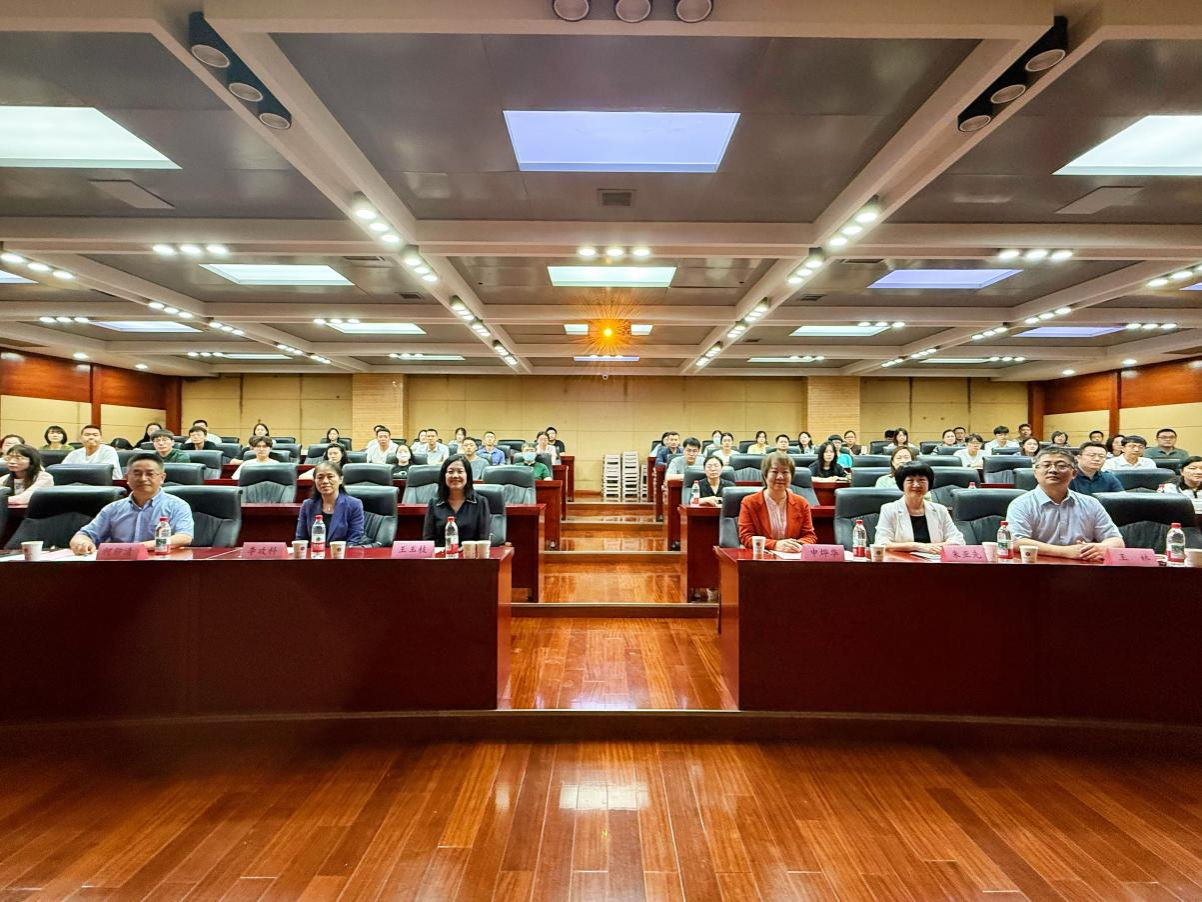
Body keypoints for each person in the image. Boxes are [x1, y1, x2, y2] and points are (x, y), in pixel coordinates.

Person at [1006, 447, 1123, 561]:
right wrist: (1066, 552)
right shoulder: (1021, 504)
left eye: (1061, 466)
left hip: (1084, 567)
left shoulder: (1091, 503)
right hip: (1037, 567)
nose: (1052, 470)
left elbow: (1116, 540)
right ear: (1035, 472)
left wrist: (1100, 547)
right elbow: (1016, 541)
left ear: (1074, 473)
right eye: (1046, 465)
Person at [69, 453, 194, 554]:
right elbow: (84, 534)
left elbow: (184, 537)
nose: (143, 479)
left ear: (162, 478)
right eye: (137, 474)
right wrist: (82, 543)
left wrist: (140, 547)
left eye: (150, 474)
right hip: (119, 567)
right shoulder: (113, 508)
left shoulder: (177, 506)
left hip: (160, 564)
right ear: (127, 478)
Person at [874, 462, 965, 552]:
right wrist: (916, 546)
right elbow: (882, 543)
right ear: (902, 484)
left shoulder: (940, 510)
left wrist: (927, 547)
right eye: (910, 480)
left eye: (921, 480)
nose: (916, 484)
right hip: (901, 560)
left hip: (935, 559)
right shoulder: (889, 509)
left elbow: (958, 541)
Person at [737, 451, 817, 552]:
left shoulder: (801, 503)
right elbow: (746, 537)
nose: (780, 477)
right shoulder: (749, 502)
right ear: (765, 475)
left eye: (785, 472)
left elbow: (810, 536)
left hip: (792, 557)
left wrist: (796, 545)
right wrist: (775, 545)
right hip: (762, 557)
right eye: (774, 472)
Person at [422, 455, 492, 546]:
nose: (455, 476)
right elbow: (428, 540)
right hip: (441, 554)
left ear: (467, 475)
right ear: (444, 476)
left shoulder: (480, 502)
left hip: (470, 553)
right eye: (450, 472)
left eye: (460, 471)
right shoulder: (434, 503)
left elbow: (483, 540)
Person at [295, 462, 366, 546]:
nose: (325, 481)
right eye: (320, 477)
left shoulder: (354, 505)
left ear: (340, 479)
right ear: (314, 480)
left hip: (343, 552)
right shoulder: (307, 505)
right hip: (314, 553)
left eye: (330, 476)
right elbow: (301, 538)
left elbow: (354, 540)